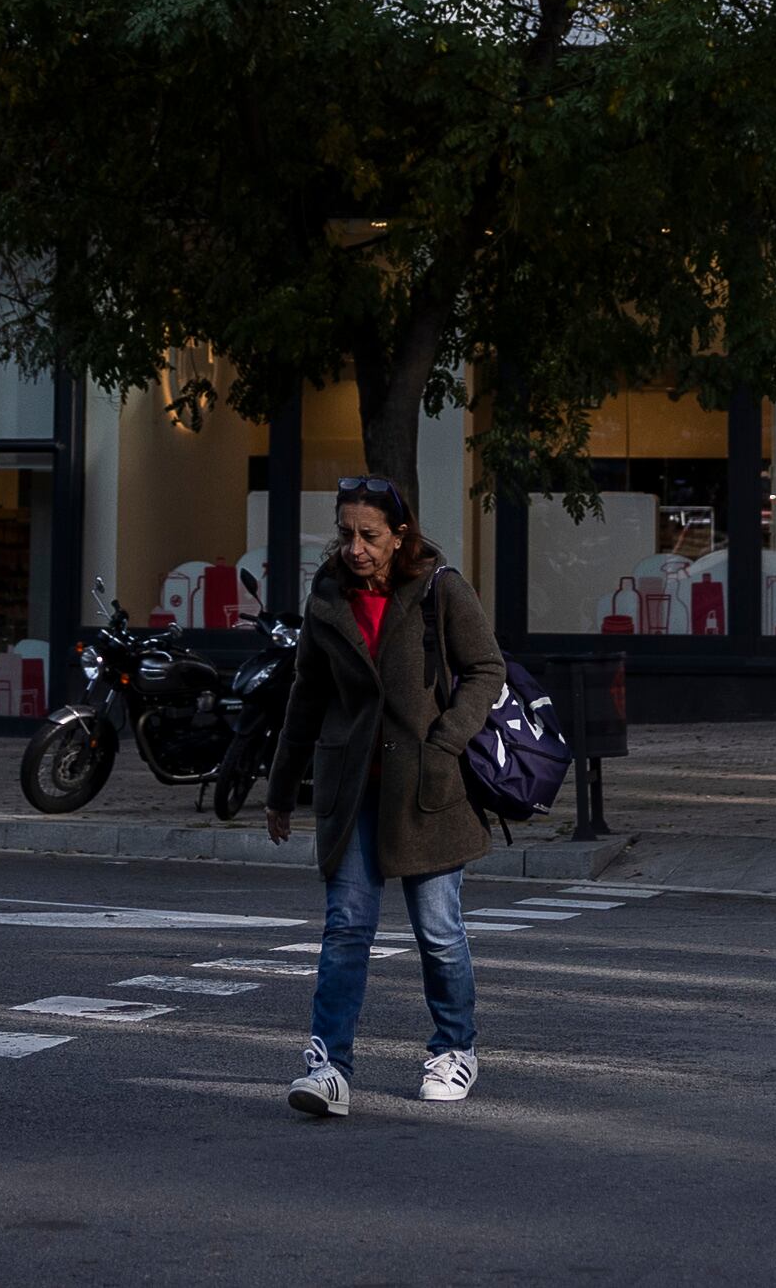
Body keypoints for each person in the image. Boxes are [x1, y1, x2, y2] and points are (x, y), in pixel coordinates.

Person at [264, 474, 504, 1116]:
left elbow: (487, 669)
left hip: (427, 788)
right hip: (351, 791)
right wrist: (281, 788)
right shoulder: (327, 599)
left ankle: (455, 1048)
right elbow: (306, 697)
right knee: (346, 927)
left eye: (369, 535)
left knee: (439, 931)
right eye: (346, 534)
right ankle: (329, 1067)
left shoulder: (440, 589)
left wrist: (447, 739)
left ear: (400, 536)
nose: (356, 548)